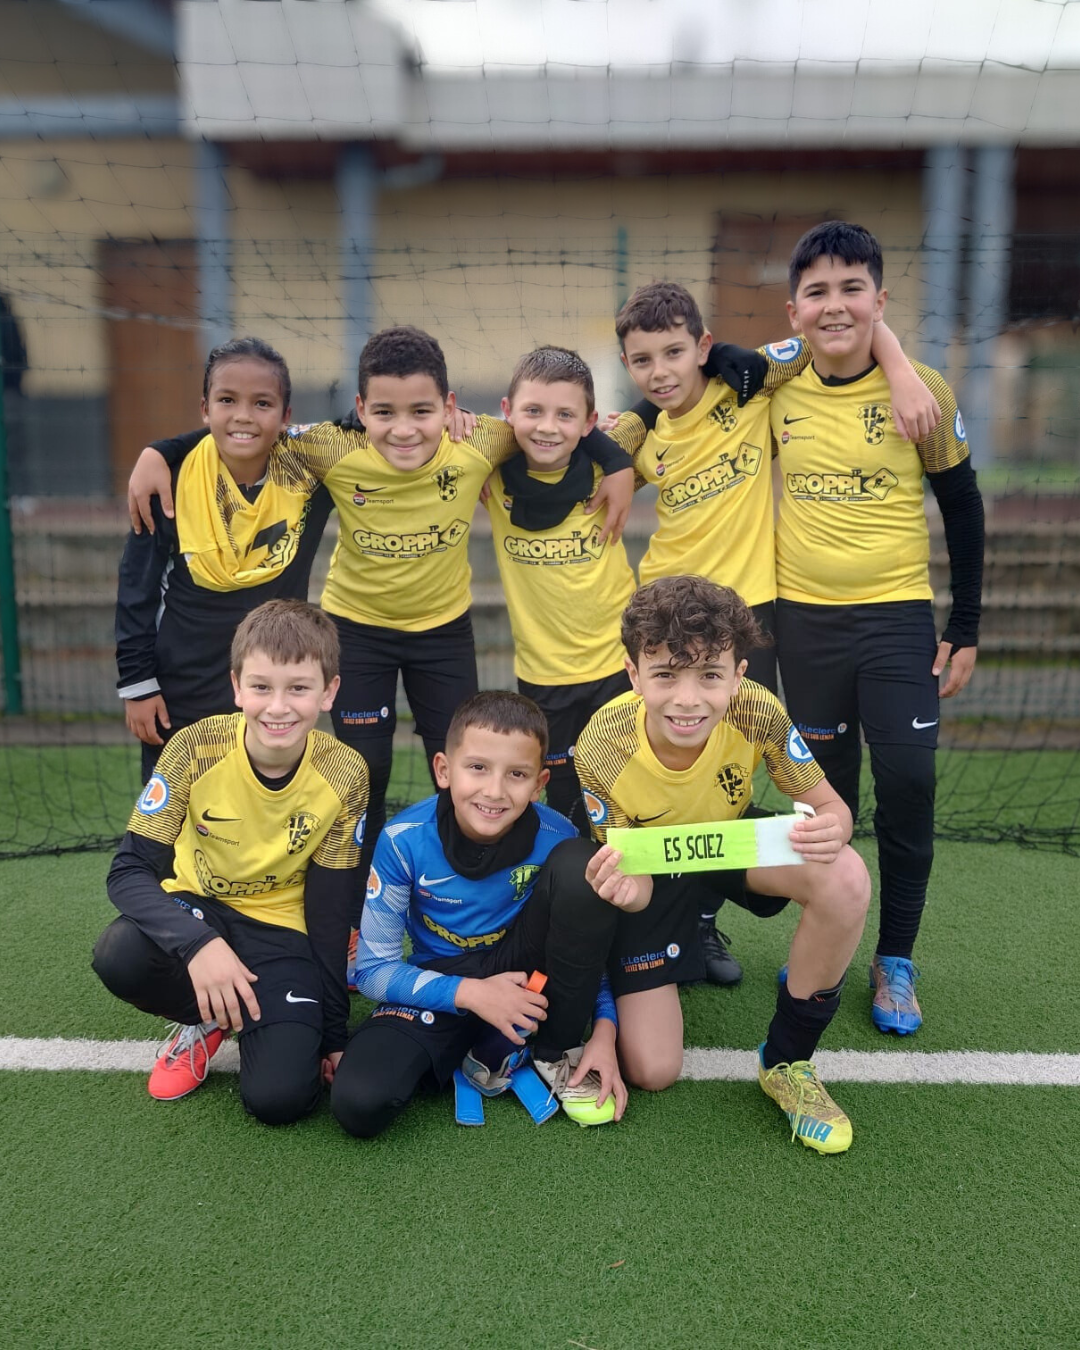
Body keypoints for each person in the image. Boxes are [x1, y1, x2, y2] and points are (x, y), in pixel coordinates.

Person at [125, 326, 634, 928]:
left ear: (449, 407)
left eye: (422, 411)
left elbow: (574, 426)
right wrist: (161, 452)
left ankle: (466, 904)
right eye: (385, 412)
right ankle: (355, 921)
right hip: (358, 632)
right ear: (361, 410)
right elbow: (249, 427)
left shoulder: (481, 440)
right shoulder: (331, 448)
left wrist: (615, 462)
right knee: (362, 777)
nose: (404, 429)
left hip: (443, 633)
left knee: (462, 767)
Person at [603, 282, 939, 986]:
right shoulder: (640, 439)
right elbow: (600, 442)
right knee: (664, 758)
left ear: (703, 346)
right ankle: (650, 918)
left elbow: (830, 332)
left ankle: (703, 915)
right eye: (642, 360)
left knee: (729, 760)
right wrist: (614, 456)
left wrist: (901, 367)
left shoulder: (751, 391)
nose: (660, 371)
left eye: (674, 352)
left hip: (747, 618)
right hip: (664, 618)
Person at [770, 220, 984, 1036]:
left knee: (909, 785)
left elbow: (962, 507)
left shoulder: (923, 390)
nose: (836, 305)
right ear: (794, 310)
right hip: (804, 625)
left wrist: (964, 625)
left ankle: (895, 957)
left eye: (852, 288)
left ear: (880, 299)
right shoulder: (773, 385)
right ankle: (824, 940)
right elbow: (696, 381)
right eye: (817, 291)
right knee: (822, 802)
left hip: (897, 621)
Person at [574, 575, 871, 1154]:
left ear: (739, 675)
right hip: (653, 864)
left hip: (728, 838)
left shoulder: (758, 709)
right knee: (654, 1069)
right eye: (666, 674)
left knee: (846, 875)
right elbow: (627, 871)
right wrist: (631, 894)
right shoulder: (601, 746)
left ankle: (787, 1062)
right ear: (634, 674)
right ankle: (675, 947)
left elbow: (833, 808)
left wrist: (835, 826)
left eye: (710, 675)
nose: (688, 699)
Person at [92, 600, 370, 1124]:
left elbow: (331, 910)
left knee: (279, 1101)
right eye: (261, 687)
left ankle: (241, 1008)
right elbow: (128, 872)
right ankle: (203, 1016)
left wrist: (334, 1033)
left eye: (299, 688)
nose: (278, 707)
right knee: (120, 953)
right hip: (198, 911)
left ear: (328, 692)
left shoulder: (346, 772)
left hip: (281, 932)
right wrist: (198, 944)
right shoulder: (194, 748)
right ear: (237, 686)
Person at [332, 690, 628, 1138]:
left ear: (539, 783)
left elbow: (587, 944)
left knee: (579, 861)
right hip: (443, 978)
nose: (494, 791)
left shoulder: (559, 835)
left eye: (517, 774)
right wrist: (472, 994)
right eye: (477, 768)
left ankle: (556, 1049)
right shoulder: (402, 839)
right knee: (359, 1102)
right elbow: (373, 971)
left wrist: (605, 1030)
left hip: (527, 976)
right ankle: (490, 1041)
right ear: (443, 770)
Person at [115, 337, 334, 781]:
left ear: (286, 416)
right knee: (178, 811)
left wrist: (458, 421)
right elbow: (136, 588)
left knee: (265, 805)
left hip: (273, 685)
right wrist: (137, 686)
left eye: (262, 403)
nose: (243, 415)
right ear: (205, 408)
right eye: (227, 400)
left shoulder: (310, 475)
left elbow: (374, 428)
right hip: (183, 685)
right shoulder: (169, 483)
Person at [485, 345, 637, 826]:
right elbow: (446, 431)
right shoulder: (489, 472)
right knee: (566, 799)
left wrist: (618, 462)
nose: (548, 427)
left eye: (565, 415)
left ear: (589, 422)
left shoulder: (608, 470)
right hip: (544, 673)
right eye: (533, 411)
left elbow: (661, 417)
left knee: (627, 787)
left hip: (618, 664)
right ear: (507, 411)